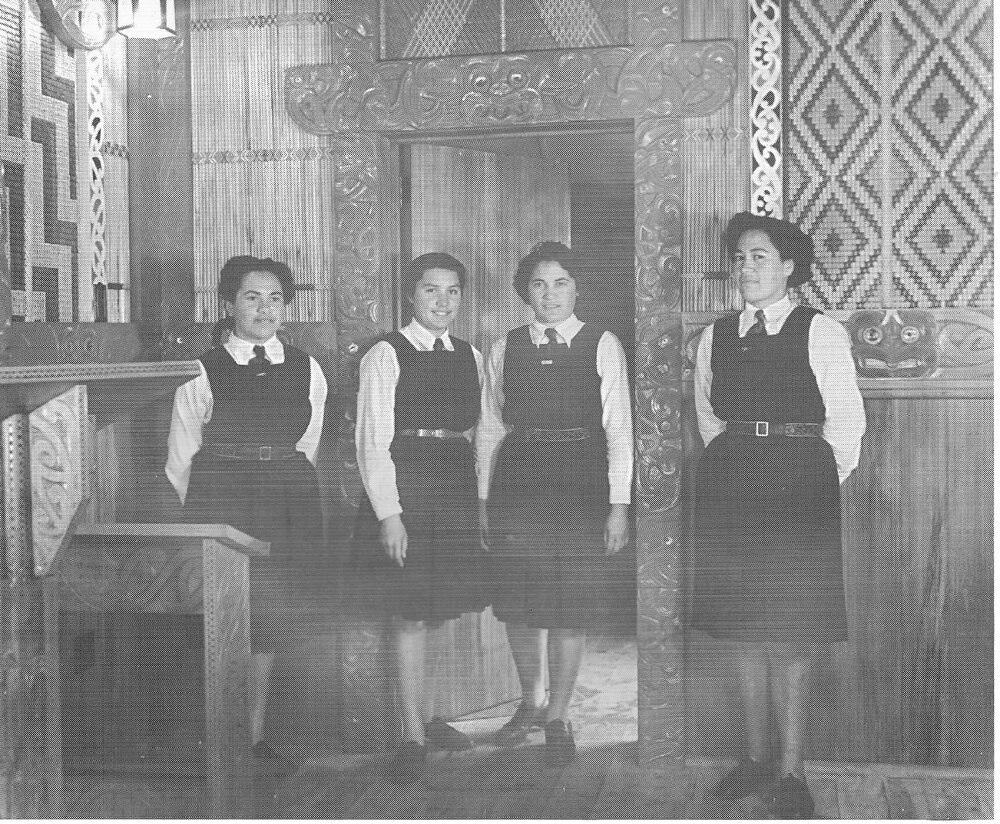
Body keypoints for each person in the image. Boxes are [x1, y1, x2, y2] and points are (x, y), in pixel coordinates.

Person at [691, 213, 866, 818]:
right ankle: (754, 760)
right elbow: (708, 418)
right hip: (733, 491)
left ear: (790, 266)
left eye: (759, 256)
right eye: (739, 257)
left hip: (798, 493)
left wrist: (809, 486)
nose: (746, 268)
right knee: (743, 631)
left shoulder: (819, 332)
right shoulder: (716, 336)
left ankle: (791, 769)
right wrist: (737, 468)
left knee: (790, 633)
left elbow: (847, 427)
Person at [165, 255, 328, 775]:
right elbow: (180, 459)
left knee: (273, 622)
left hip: (288, 500)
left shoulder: (307, 367)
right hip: (224, 499)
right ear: (229, 304)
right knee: (224, 618)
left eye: (276, 298)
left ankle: (253, 736)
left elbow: (309, 442)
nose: (265, 309)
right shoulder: (202, 370)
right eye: (252, 298)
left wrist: (288, 489)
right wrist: (194, 531)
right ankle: (217, 742)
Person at [476, 241, 633, 764]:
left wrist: (618, 505)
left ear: (576, 287)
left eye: (560, 283)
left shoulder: (601, 343)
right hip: (519, 480)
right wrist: (481, 499)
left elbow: (619, 428)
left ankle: (559, 715)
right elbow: (491, 427)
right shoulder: (506, 346)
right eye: (538, 285)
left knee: (570, 606)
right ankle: (531, 701)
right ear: (525, 291)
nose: (549, 295)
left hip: (580, 479)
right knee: (522, 605)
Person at [353, 252, 489, 783]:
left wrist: (477, 502)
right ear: (411, 295)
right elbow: (371, 442)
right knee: (409, 613)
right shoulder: (386, 354)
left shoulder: (470, 355)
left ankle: (433, 717)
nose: (443, 302)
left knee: (439, 611)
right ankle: (409, 732)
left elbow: (479, 435)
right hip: (406, 488)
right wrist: (390, 515)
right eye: (432, 291)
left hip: (451, 489)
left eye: (452, 291)